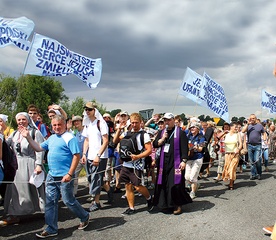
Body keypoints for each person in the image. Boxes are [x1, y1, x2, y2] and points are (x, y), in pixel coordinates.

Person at [19, 114, 90, 238]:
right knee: (50, 202)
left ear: (64, 124)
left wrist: (69, 173)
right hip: (52, 175)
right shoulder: (51, 138)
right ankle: (51, 228)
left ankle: (84, 216)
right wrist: (28, 137)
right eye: (54, 125)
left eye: (59, 125)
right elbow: (39, 148)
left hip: (65, 176)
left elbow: (76, 156)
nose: (57, 127)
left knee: (68, 201)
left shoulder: (69, 137)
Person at [0, 112, 45, 226]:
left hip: (31, 163)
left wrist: (39, 164)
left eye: (23, 119)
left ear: (28, 120)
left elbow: (40, 149)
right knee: (15, 191)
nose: (21, 122)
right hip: (17, 166)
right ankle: (16, 212)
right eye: (19, 120)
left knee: (34, 189)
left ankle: (44, 210)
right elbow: (5, 144)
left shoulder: (35, 132)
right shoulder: (15, 133)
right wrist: (1, 133)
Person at [113, 112, 153, 215]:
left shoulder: (144, 135)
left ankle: (149, 198)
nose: (134, 125)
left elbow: (149, 150)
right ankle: (131, 208)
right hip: (126, 163)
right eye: (132, 123)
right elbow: (115, 141)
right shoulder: (127, 133)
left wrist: (138, 156)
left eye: (136, 122)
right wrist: (119, 129)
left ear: (140, 122)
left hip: (137, 164)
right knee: (128, 186)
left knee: (137, 186)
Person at [153, 113, 192, 215]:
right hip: (163, 161)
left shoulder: (180, 133)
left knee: (174, 184)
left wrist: (184, 161)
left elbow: (184, 148)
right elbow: (155, 144)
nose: (167, 122)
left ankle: (177, 204)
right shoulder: (162, 132)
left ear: (173, 120)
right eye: (165, 120)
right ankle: (165, 204)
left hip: (175, 162)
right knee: (163, 183)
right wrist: (162, 139)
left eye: (169, 120)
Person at [81, 102, 113, 211]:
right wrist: (84, 154)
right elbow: (86, 140)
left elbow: (105, 141)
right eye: (86, 109)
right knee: (91, 178)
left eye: (89, 109)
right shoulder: (87, 124)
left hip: (100, 156)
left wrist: (98, 155)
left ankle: (96, 202)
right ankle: (109, 190)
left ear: (94, 110)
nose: (87, 111)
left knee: (96, 178)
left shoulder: (101, 123)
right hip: (89, 155)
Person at [242, 114, 267, 180]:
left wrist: (264, 139)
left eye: (253, 118)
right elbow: (243, 131)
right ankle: (253, 174)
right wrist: (247, 124)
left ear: (255, 119)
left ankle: (259, 173)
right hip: (250, 145)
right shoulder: (248, 126)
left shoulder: (259, 126)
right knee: (252, 161)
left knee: (257, 160)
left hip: (258, 145)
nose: (252, 119)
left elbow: (264, 133)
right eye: (250, 118)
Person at [186, 122, 205, 199]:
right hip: (189, 158)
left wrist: (196, 147)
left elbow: (200, 149)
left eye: (194, 127)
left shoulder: (201, 137)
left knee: (192, 177)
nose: (192, 129)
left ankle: (193, 192)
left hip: (197, 158)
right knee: (187, 177)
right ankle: (196, 184)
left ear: (198, 129)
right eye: (191, 127)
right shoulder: (188, 136)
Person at [221, 122, 242, 190]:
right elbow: (217, 138)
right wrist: (223, 133)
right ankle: (231, 179)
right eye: (235, 127)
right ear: (231, 127)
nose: (237, 128)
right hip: (227, 154)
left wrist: (238, 149)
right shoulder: (226, 134)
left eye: (237, 127)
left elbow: (240, 144)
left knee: (232, 168)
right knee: (227, 168)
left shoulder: (238, 134)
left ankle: (231, 183)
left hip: (235, 154)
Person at [72, 115, 87, 196]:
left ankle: (93, 195)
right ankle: (73, 193)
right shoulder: (75, 132)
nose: (76, 123)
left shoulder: (87, 131)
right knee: (74, 175)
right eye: (75, 121)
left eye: (78, 121)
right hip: (78, 158)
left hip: (86, 157)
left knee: (90, 176)